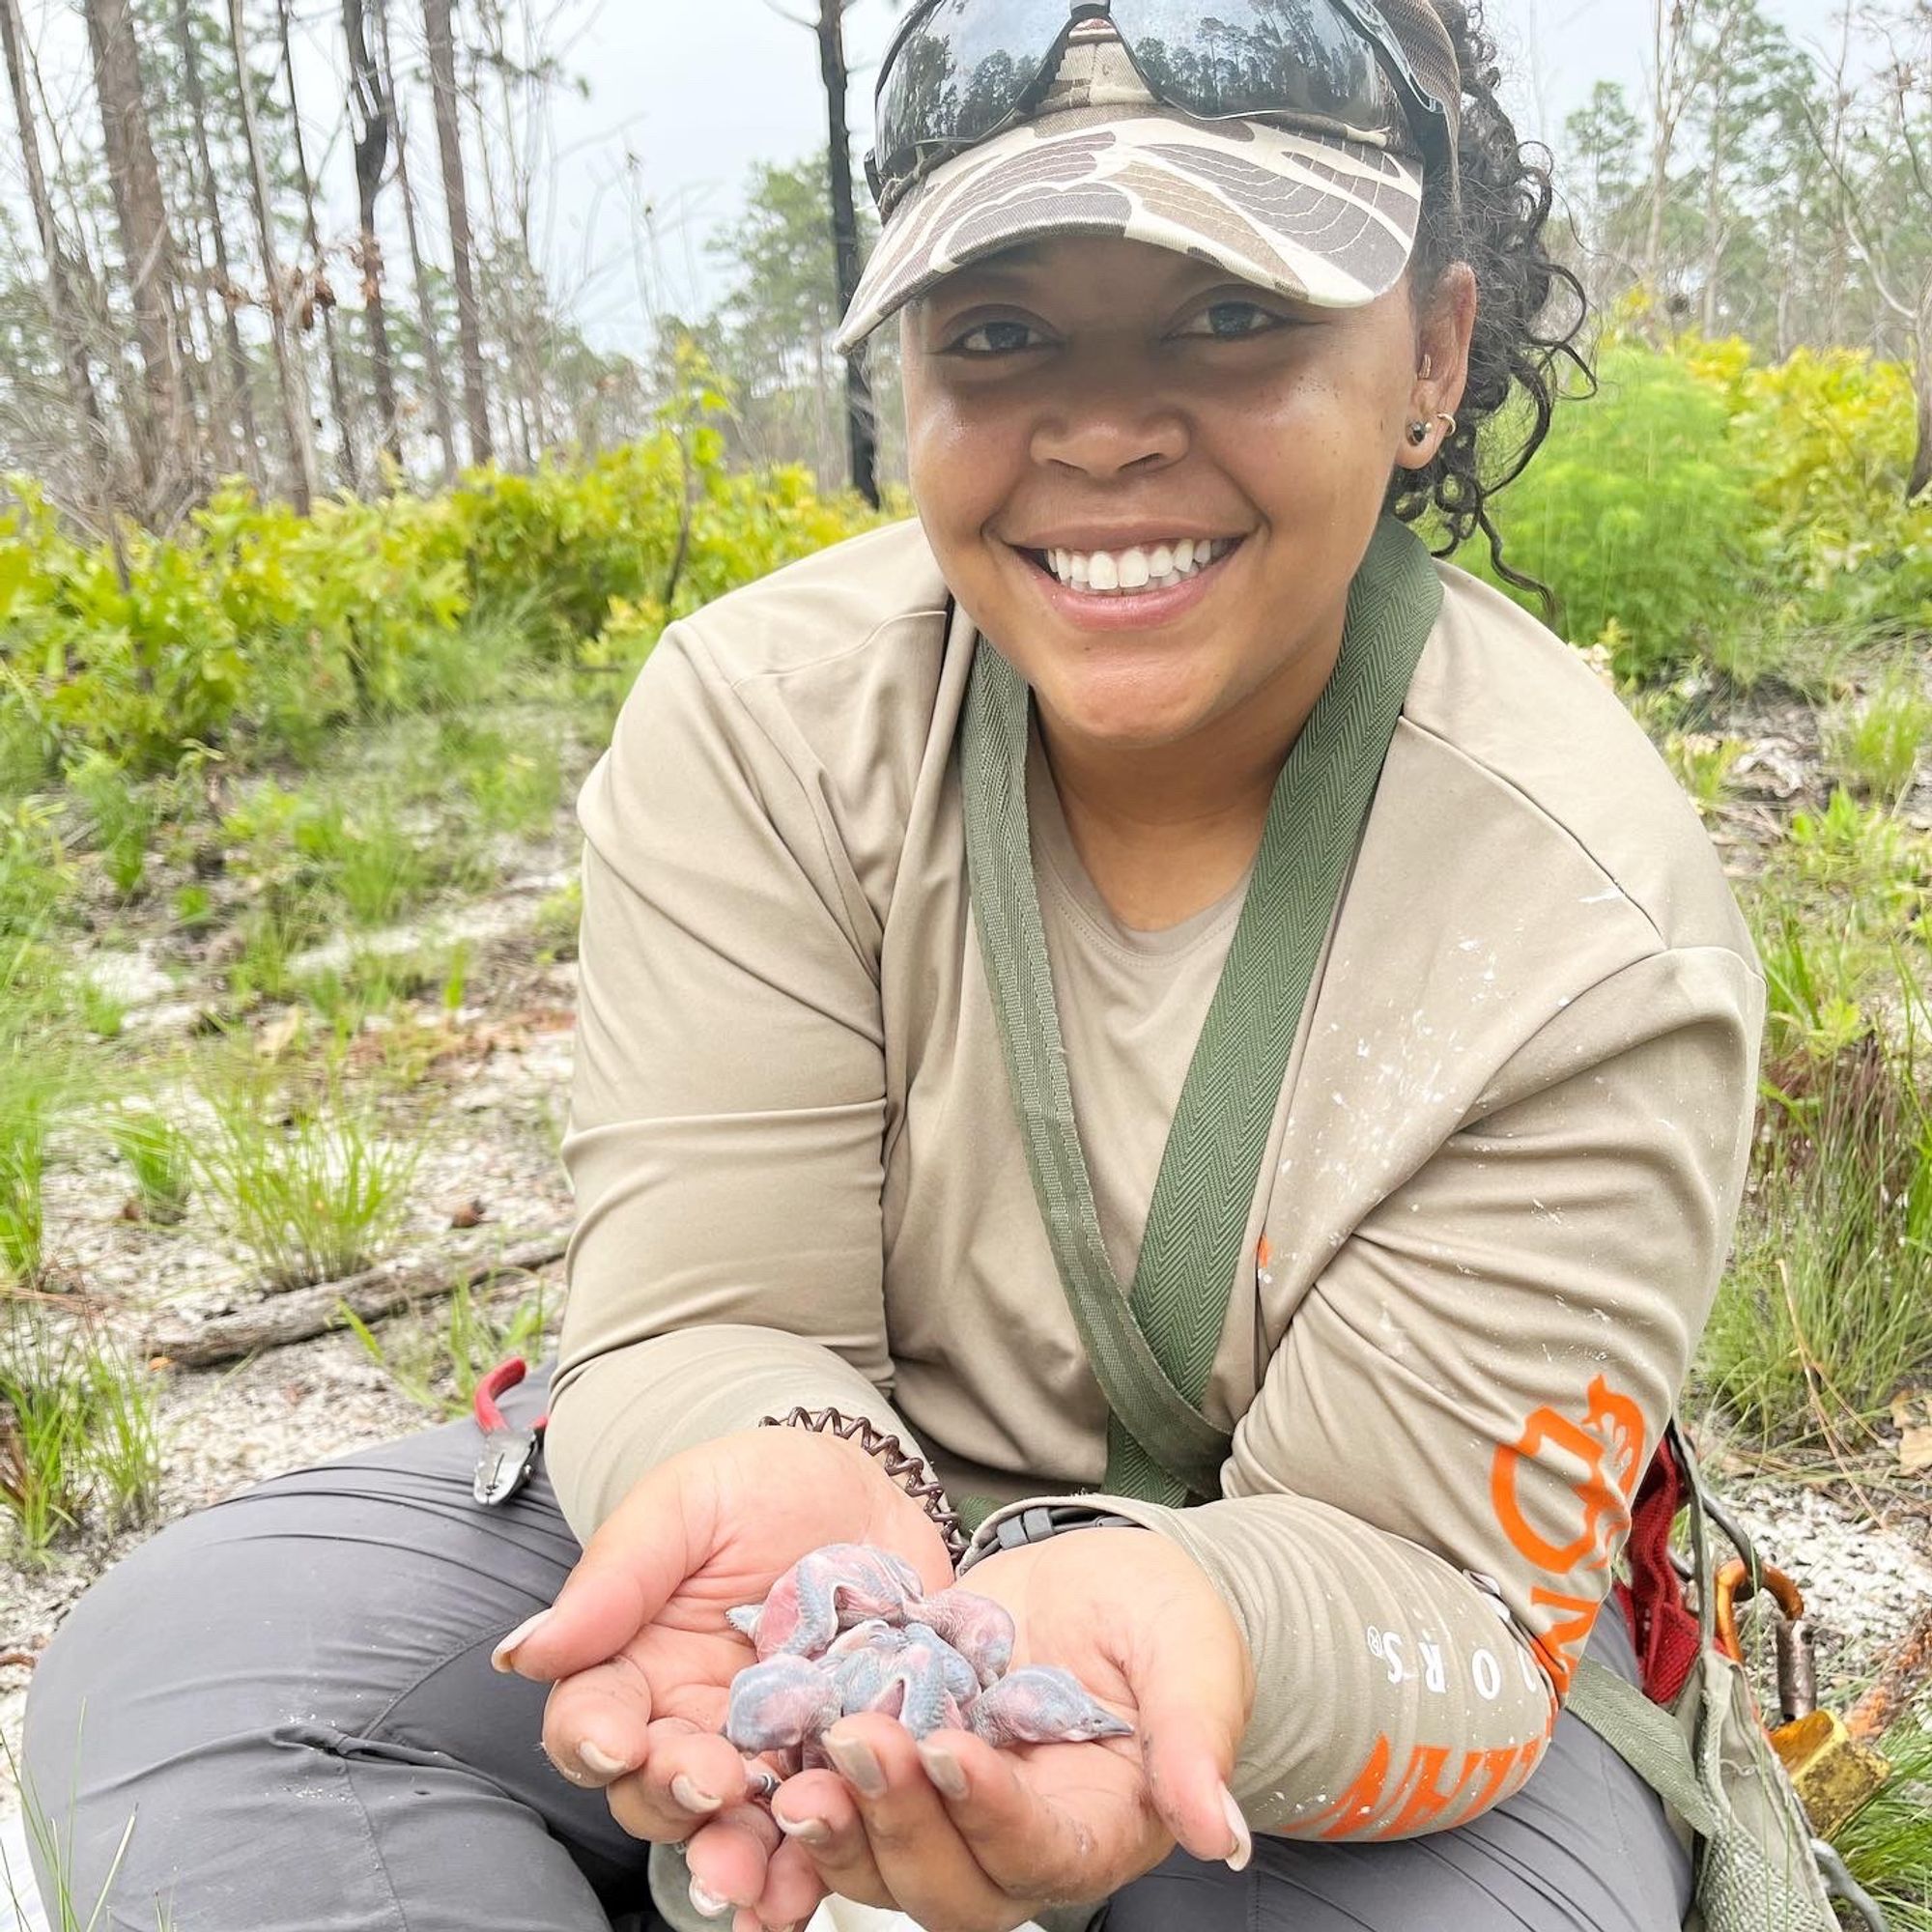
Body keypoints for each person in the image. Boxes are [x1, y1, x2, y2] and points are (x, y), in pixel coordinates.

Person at [21, 3, 1766, 1930]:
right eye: (1002, 334)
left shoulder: (1584, 932)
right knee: (211, 1673)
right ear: (907, 384)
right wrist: (776, 1465)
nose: (1101, 428)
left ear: (1428, 356)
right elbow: (697, 1304)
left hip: (1316, 1622)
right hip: (836, 1532)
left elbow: (1435, 1585)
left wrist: (1166, 1624)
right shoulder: (763, 721)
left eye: (1230, 317)